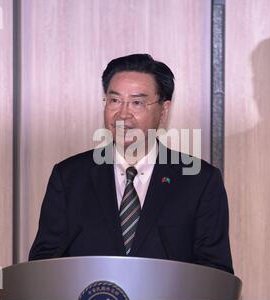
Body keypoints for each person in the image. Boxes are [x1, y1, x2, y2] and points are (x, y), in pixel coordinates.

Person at [29, 54, 234, 274]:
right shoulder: (69, 177)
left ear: (164, 110)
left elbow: (215, 273)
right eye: (115, 100)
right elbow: (43, 267)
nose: (123, 114)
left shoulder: (199, 180)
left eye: (137, 102)